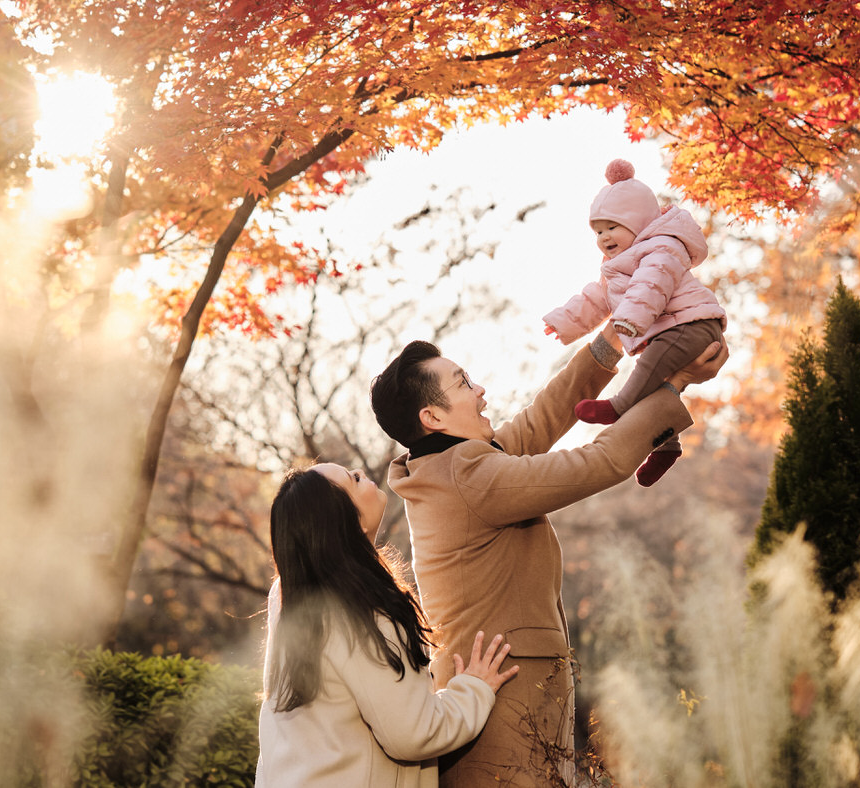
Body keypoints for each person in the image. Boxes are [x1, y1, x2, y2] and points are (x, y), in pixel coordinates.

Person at [369, 330, 726, 787]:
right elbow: (602, 461)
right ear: (433, 416)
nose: (480, 391)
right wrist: (671, 384)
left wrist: (615, 337)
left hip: (502, 689)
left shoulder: (453, 463)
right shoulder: (470, 476)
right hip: (502, 696)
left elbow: (544, 416)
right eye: (463, 384)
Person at [254, 463, 520, 788]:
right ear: (348, 520)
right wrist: (474, 689)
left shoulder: (287, 595)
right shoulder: (363, 610)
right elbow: (413, 733)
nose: (360, 471)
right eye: (353, 479)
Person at [543, 158, 727, 486]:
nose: (604, 237)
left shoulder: (661, 249)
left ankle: (618, 406)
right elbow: (596, 298)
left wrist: (629, 320)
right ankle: (665, 446)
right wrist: (565, 321)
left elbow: (651, 286)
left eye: (612, 227)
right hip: (671, 331)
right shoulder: (616, 267)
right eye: (598, 231)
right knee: (653, 388)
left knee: (648, 366)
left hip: (693, 325)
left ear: (639, 223)